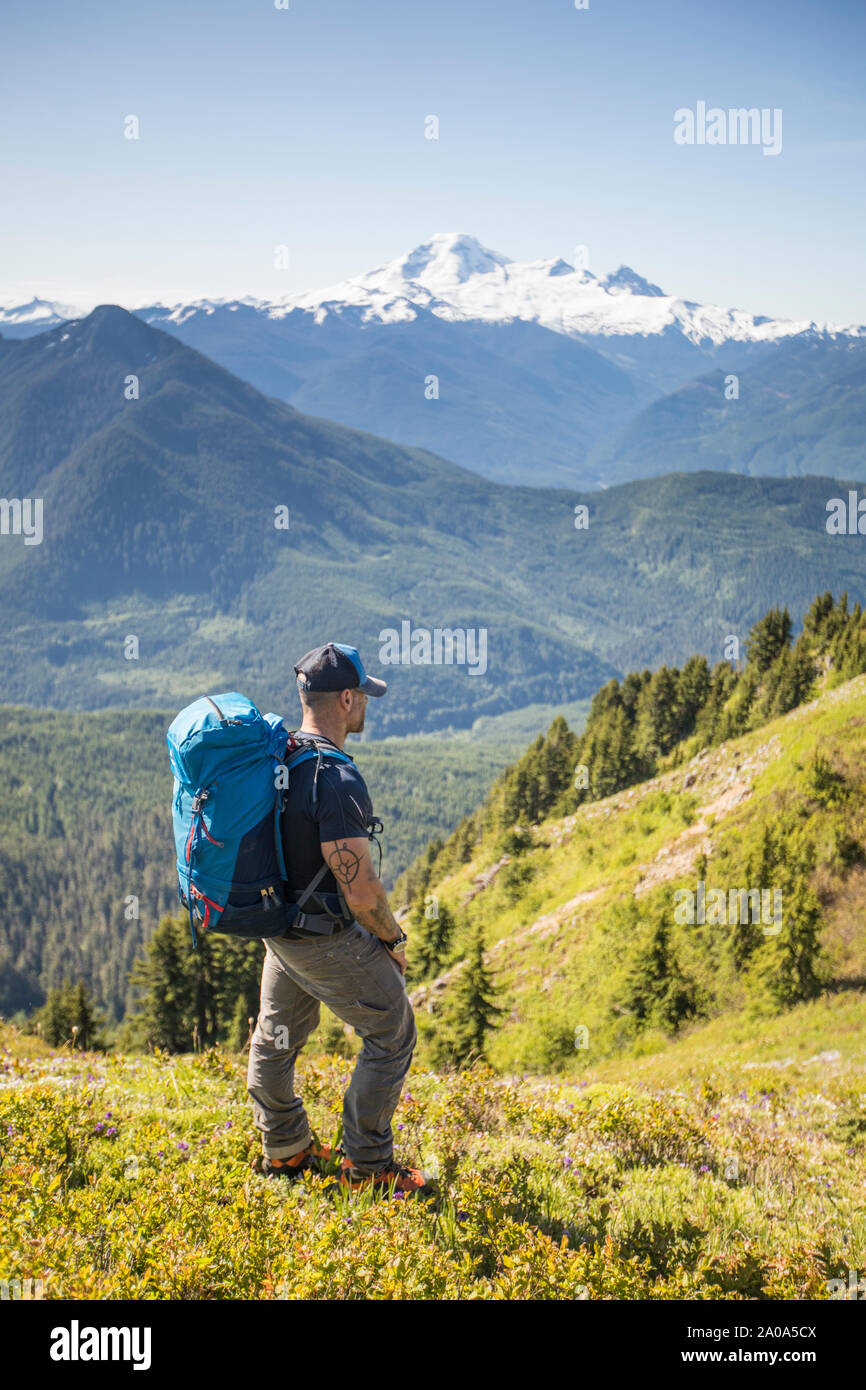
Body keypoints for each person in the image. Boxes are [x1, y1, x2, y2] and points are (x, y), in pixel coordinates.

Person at [246, 642, 431, 1197]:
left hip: (277, 930)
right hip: (323, 936)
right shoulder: (337, 778)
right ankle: (370, 1168)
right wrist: (393, 939)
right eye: (363, 697)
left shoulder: (277, 757)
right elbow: (362, 893)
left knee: (275, 1036)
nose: (366, 707)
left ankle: (284, 1150)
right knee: (392, 1030)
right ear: (347, 699)